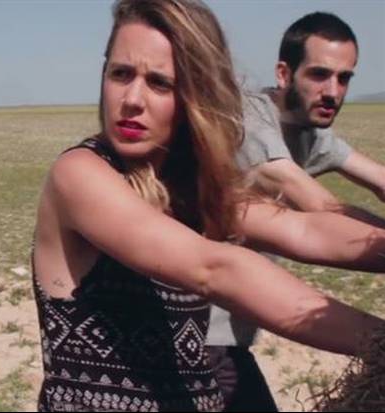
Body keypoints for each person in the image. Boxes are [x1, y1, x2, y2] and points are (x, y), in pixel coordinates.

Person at [32, 0, 385, 411]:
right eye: (121, 74)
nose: (132, 99)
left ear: (194, 95)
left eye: (159, 83)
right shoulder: (80, 175)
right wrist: (379, 343)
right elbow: (215, 269)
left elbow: (303, 228)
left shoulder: (188, 189)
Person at [207, 12, 385, 410]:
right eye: (319, 75)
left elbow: (378, 177)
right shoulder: (248, 121)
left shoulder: (309, 133)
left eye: (344, 78)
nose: (333, 91)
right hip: (195, 335)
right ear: (284, 74)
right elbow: (320, 207)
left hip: (230, 337)